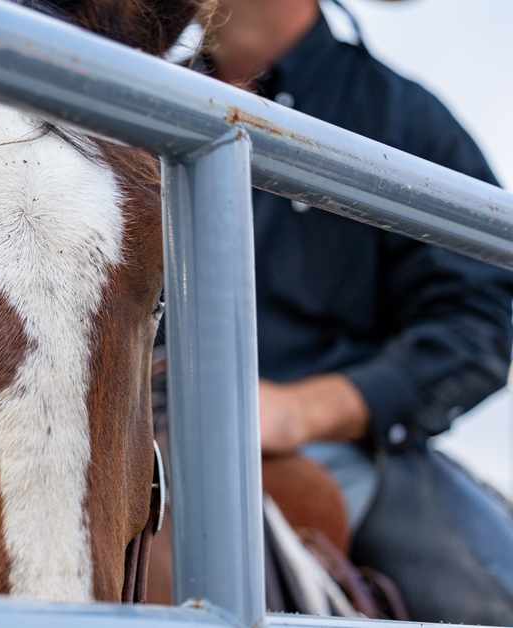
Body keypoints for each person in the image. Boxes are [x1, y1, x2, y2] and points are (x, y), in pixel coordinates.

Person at [193, 0, 513, 622]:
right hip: (134, 436)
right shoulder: (130, 96)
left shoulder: (399, 117)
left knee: (485, 603)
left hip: (339, 451)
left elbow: (476, 329)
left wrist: (304, 411)